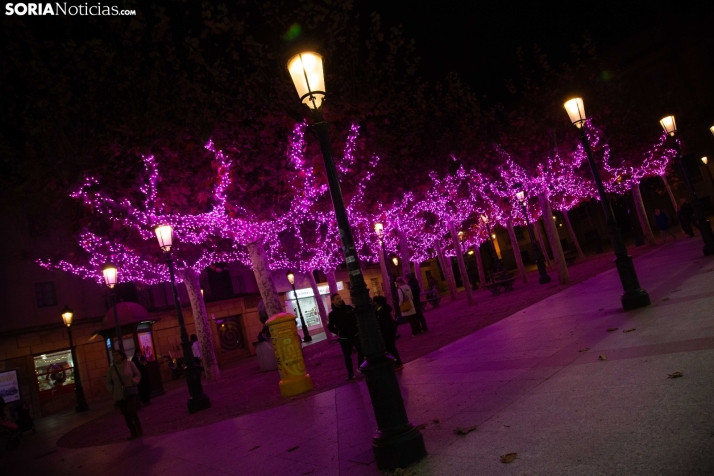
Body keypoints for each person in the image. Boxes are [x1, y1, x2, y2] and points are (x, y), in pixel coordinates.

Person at [106, 349, 143, 440]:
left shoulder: (129, 364)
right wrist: (112, 389)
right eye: (113, 355)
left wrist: (133, 381)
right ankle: (132, 431)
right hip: (119, 394)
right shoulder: (111, 369)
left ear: (122, 355)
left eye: (116, 355)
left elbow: (137, 374)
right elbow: (108, 382)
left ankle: (138, 427)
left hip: (130, 391)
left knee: (131, 410)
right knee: (125, 414)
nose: (115, 357)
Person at [327, 293, 364, 380]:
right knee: (347, 356)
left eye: (339, 298)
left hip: (354, 334)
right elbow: (330, 326)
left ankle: (360, 366)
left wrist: (357, 326)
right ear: (332, 301)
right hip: (344, 338)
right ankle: (350, 373)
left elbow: (356, 317)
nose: (339, 300)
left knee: (361, 350)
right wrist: (338, 332)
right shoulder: (332, 314)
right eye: (337, 299)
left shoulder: (348, 308)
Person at [373, 296, 403, 370]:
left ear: (378, 303)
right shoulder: (382, 310)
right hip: (388, 332)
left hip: (387, 333)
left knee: (390, 348)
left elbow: (384, 324)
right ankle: (394, 362)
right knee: (389, 348)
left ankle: (396, 362)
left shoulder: (382, 312)